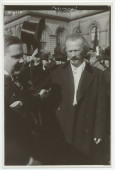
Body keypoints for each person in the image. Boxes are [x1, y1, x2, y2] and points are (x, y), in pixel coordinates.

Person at [50, 33, 108, 164]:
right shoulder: (56, 72)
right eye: (70, 51)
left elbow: (101, 105)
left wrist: (99, 131)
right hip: (63, 126)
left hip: (85, 127)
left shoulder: (97, 74)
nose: (73, 55)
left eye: (76, 50)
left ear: (84, 50)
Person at [4, 35, 50, 165]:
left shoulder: (14, 78)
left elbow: (26, 100)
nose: (22, 61)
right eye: (16, 57)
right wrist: (26, 161)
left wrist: (40, 96)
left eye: (22, 56)